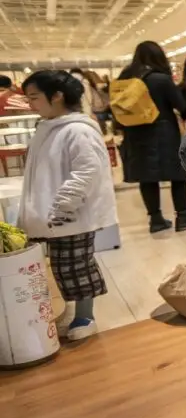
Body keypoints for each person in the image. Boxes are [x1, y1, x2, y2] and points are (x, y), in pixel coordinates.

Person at [18, 70, 117, 341]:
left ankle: (85, 316)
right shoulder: (48, 126)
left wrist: (64, 206)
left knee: (74, 266)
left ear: (58, 96)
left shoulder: (77, 130)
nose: (31, 104)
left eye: (35, 97)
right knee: (61, 265)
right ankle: (68, 312)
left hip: (69, 214)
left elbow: (87, 172)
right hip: (49, 212)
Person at [117, 42, 186, 234]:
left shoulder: (125, 78)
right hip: (163, 133)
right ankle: (183, 217)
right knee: (178, 175)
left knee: (147, 178)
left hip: (135, 133)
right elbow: (182, 107)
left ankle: (155, 220)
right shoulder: (161, 79)